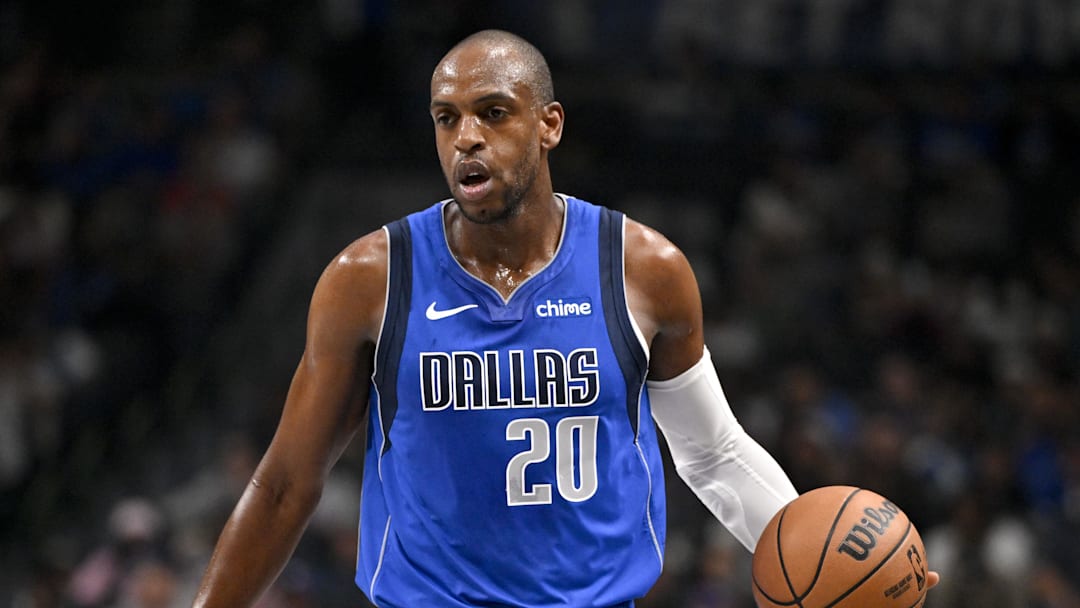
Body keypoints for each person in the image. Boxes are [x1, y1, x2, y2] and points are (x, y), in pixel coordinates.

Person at [192, 29, 935, 607]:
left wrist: (836, 563)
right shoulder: (370, 280)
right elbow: (287, 482)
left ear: (548, 125)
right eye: (446, 119)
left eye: (492, 113)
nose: (467, 139)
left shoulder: (644, 270)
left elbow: (711, 456)